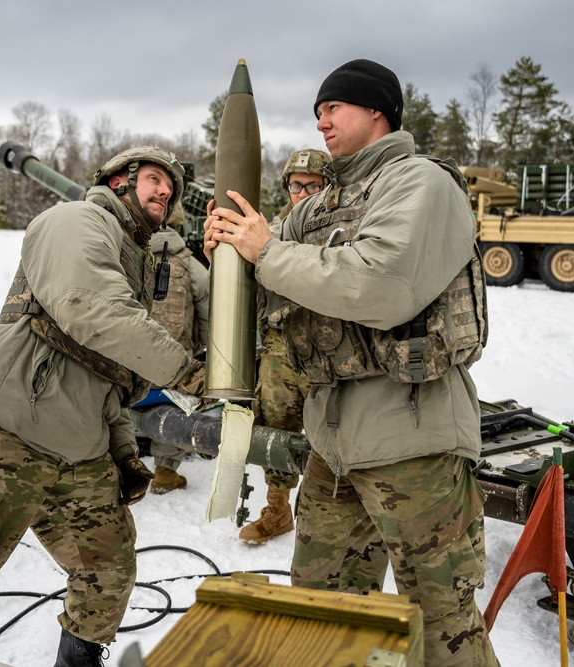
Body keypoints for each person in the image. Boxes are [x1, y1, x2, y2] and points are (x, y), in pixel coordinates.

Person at [204, 59, 496, 665]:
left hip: (414, 441)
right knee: (323, 615)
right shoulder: (322, 205)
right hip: (332, 447)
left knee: (442, 628)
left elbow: (381, 286)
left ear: (376, 110)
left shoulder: (421, 184)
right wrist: (230, 254)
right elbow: (277, 283)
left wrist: (266, 251)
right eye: (316, 114)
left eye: (333, 109)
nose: (322, 124)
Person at [0, 146, 205, 666]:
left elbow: (105, 377)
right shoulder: (76, 219)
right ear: (117, 182)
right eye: (154, 180)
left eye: (170, 189)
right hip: (8, 432)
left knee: (107, 568)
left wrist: (122, 453)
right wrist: (187, 373)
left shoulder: (134, 257)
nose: (164, 193)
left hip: (77, 450)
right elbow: (89, 308)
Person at [239, 149, 328, 544]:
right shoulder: (270, 230)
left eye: (313, 185)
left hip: (327, 351)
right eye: (296, 185)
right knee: (275, 428)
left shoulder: (343, 228)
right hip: (279, 348)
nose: (303, 193)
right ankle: (277, 511)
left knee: (336, 433)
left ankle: (339, 520)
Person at [146, 202, 210, 494]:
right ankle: (165, 473)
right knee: (172, 407)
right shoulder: (191, 265)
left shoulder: (130, 257)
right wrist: (198, 351)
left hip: (128, 353)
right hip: (174, 358)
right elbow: (208, 312)